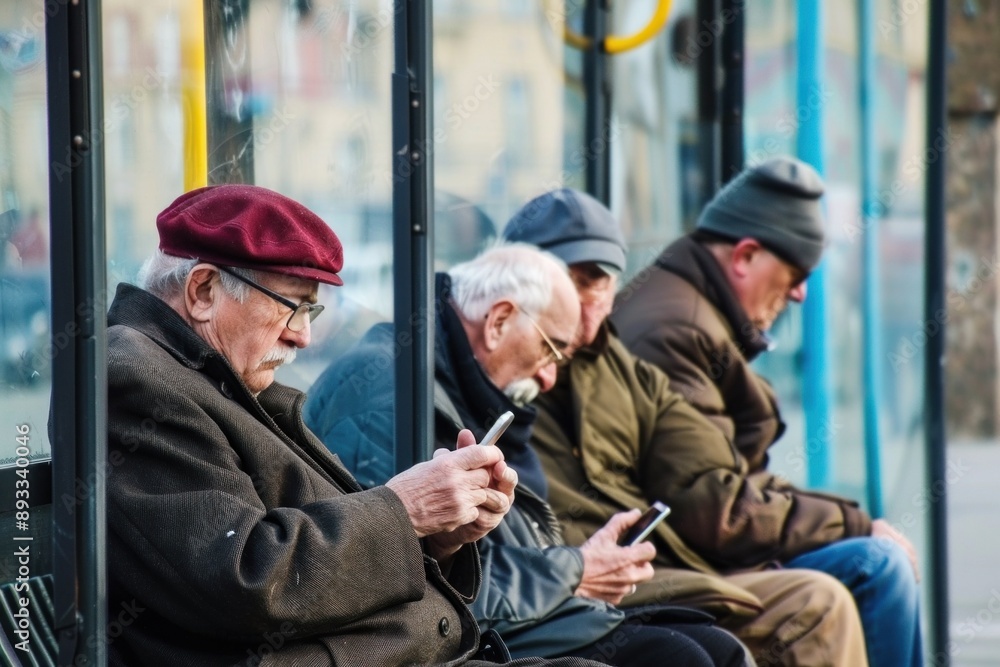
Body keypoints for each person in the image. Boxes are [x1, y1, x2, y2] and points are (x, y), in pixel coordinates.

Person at [105, 184, 609, 667]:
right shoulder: (135, 378)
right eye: (292, 307)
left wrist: (439, 536)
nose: (303, 336)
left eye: (312, 309)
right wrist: (407, 509)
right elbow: (243, 575)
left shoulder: (213, 374)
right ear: (204, 290)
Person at [305, 244, 751, 666]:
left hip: (523, 616)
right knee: (683, 656)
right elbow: (397, 582)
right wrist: (575, 570)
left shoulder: (454, 382)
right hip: (472, 632)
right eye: (551, 348)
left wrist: (578, 566)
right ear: (499, 321)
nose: (551, 375)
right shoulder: (392, 401)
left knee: (714, 648)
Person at [503, 188, 874, 667]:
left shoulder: (622, 365)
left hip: (657, 570)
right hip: (580, 589)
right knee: (830, 594)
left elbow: (710, 471)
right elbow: (718, 504)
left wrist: (853, 520)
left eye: (598, 284)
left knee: (836, 588)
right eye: (570, 283)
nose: (582, 310)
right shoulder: (500, 361)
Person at [609, 158, 923, 667]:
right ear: (746, 255)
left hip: (693, 552)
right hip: (677, 565)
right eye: (796, 274)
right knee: (877, 565)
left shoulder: (691, 311)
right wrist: (856, 524)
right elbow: (719, 510)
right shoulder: (677, 329)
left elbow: (730, 485)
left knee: (876, 556)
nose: (799, 292)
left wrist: (852, 521)